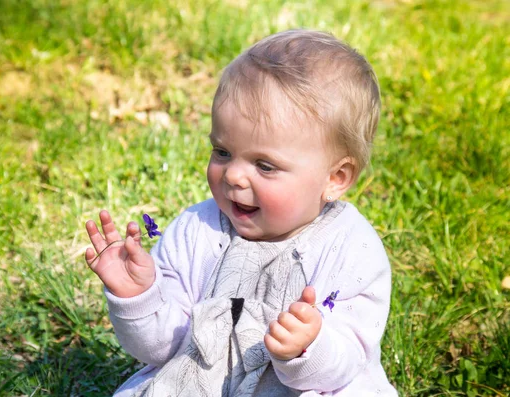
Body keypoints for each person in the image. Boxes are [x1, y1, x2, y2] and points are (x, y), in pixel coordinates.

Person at [85, 29, 397, 396]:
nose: (233, 175)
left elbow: (348, 362)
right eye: (222, 152)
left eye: (265, 166)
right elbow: (161, 349)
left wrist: (308, 347)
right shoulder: (196, 230)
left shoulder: (350, 249)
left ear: (335, 177)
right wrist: (138, 296)